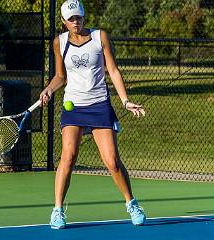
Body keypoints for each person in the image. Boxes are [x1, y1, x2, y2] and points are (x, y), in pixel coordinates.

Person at [40, 0, 146, 229]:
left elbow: (113, 71)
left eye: (78, 17)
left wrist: (125, 101)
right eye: (71, 19)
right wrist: (48, 89)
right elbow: (60, 76)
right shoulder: (60, 42)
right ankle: (57, 210)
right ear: (63, 21)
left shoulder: (100, 37)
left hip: (99, 104)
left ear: (84, 17)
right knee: (68, 158)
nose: (76, 22)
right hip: (74, 107)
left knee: (112, 162)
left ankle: (132, 204)